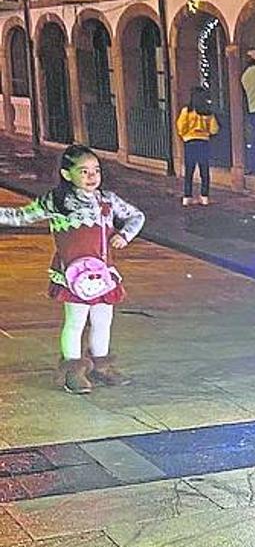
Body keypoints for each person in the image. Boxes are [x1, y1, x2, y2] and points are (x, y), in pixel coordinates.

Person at [0, 145, 145, 394]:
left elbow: (137, 216)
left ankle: (102, 366)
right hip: (72, 275)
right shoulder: (56, 201)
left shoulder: (107, 199)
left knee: (103, 320)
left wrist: (125, 235)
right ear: (67, 174)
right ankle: (72, 371)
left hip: (103, 273)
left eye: (96, 171)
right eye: (84, 171)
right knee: (76, 321)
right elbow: (19, 216)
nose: (92, 177)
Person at [176, 86, 220, 206]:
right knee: (204, 171)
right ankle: (204, 196)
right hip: (203, 142)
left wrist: (186, 134)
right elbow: (214, 129)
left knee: (189, 170)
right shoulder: (208, 112)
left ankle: (187, 196)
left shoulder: (186, 111)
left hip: (190, 142)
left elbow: (181, 127)